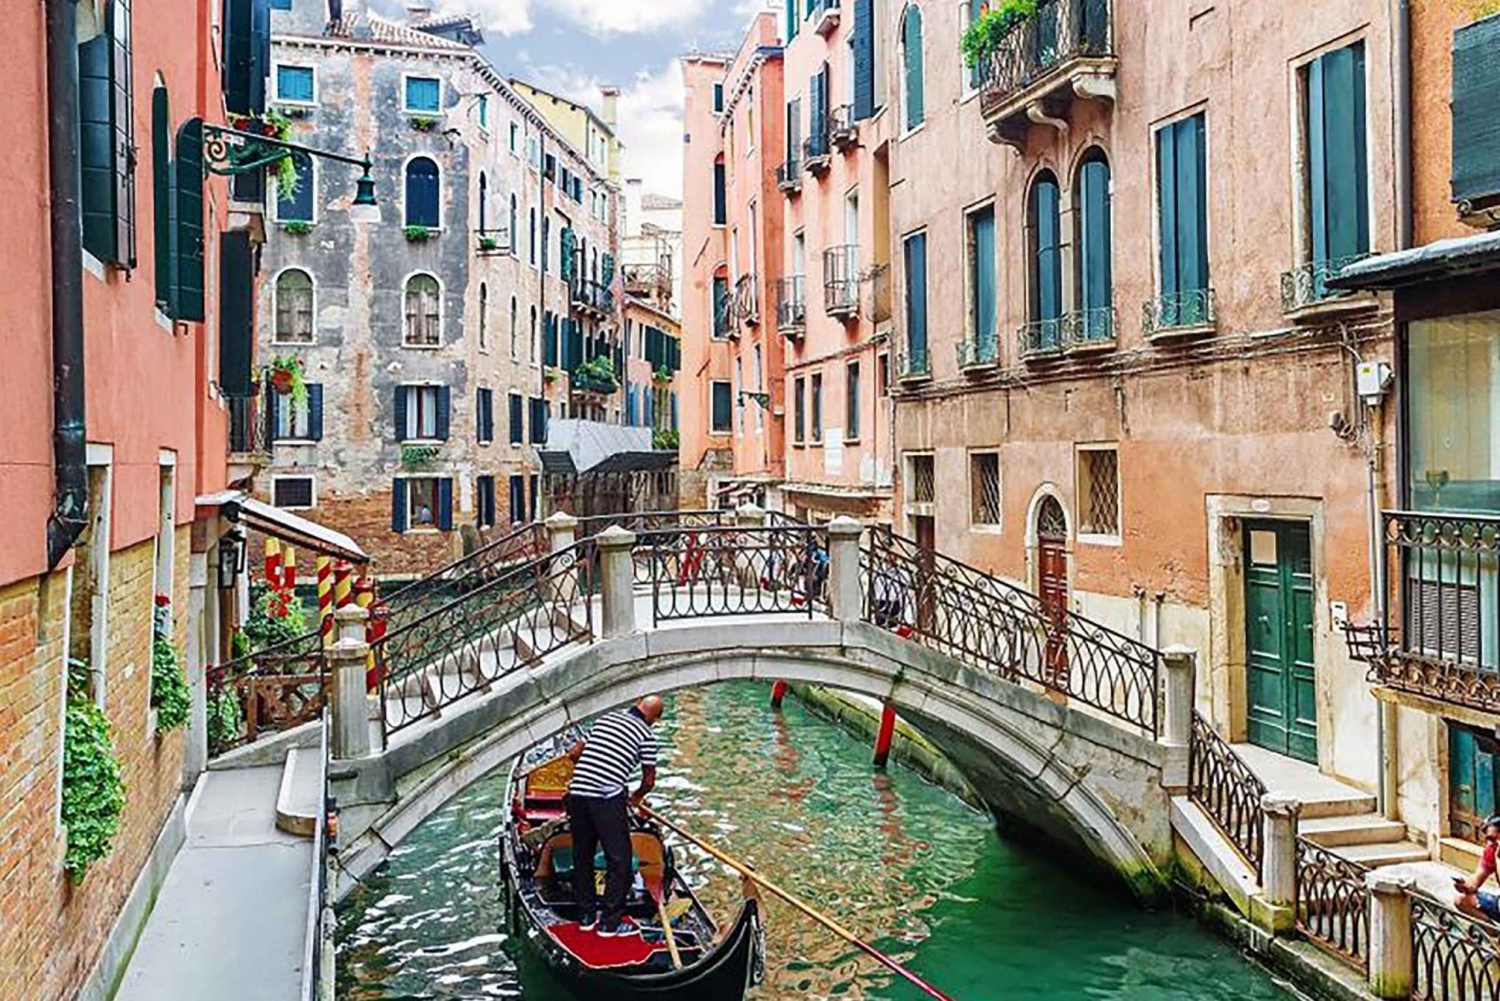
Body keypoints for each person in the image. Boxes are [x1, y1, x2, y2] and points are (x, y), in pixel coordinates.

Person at [565, 695, 663, 936]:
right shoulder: (646, 736)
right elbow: (649, 780)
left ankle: (587, 917)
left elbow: (574, 754)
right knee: (619, 859)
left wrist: (593, 770)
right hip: (606, 798)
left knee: (582, 854)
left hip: (577, 794)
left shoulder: (606, 719)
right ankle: (610, 923)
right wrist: (636, 798)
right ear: (654, 718)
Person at [1455, 814, 1500, 922]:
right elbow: (1475, 881)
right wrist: (1465, 886)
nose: (1491, 843)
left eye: (1494, 839)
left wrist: (1498, 859)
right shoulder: (1492, 849)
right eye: (1489, 839)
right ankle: (1493, 934)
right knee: (1461, 901)